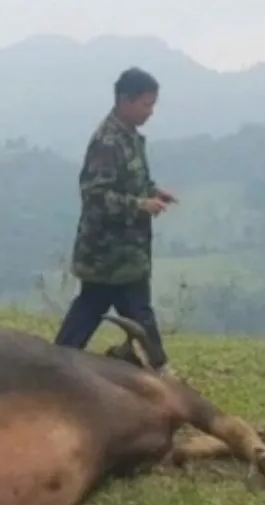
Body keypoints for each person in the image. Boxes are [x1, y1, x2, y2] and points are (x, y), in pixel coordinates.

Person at [54, 67, 175, 375]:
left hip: (126, 253)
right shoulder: (107, 141)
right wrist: (140, 205)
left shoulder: (129, 137)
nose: (150, 112)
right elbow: (95, 195)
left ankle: (54, 364)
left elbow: (131, 180)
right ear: (125, 100)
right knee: (124, 310)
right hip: (108, 255)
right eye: (146, 104)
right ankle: (159, 370)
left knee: (98, 309)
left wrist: (153, 191)